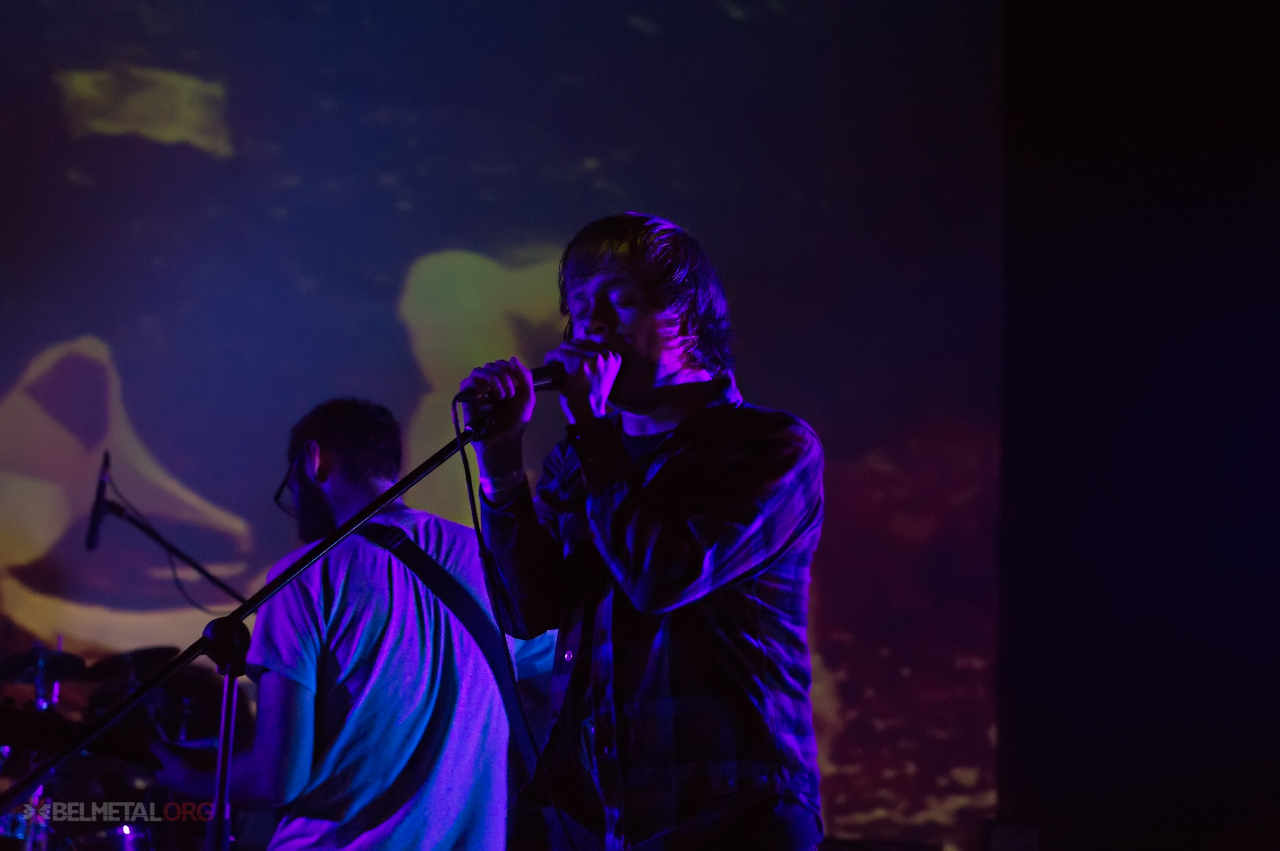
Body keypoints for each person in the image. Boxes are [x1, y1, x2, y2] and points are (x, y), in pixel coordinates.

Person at [461, 213, 825, 850]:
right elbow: (528, 611)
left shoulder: (769, 445)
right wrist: (501, 469)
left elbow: (663, 577)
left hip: (732, 809)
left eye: (620, 300)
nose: (594, 325)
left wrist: (589, 429)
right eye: (580, 309)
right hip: (602, 812)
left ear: (688, 316)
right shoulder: (578, 459)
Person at [152, 399, 507, 850]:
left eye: (290, 483)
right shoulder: (487, 556)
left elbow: (276, 780)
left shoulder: (303, 576)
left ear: (314, 459)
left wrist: (189, 780)